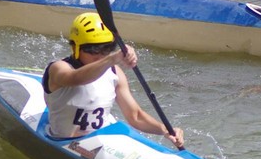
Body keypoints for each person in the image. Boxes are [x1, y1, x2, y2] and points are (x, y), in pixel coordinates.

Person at [42, 13, 184, 149]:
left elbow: (135, 116)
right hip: (63, 140)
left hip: (102, 139)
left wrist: (164, 130)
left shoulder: (115, 72)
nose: (100, 56)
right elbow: (76, 79)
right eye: (93, 50)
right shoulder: (58, 68)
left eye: (106, 49)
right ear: (75, 47)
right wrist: (111, 58)